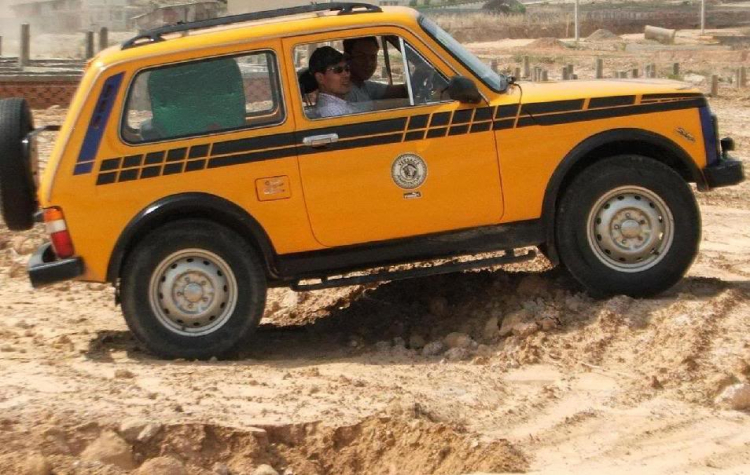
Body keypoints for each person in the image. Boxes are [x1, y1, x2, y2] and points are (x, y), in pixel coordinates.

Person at [343, 37, 408, 108]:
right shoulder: (345, 92)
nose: (369, 63)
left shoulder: (364, 86)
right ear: (347, 58)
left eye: (373, 57)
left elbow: (403, 91)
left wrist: (419, 71)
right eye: (361, 57)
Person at [309, 46, 356, 118]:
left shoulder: (338, 106)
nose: (347, 75)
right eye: (338, 70)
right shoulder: (332, 112)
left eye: (347, 69)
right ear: (320, 78)